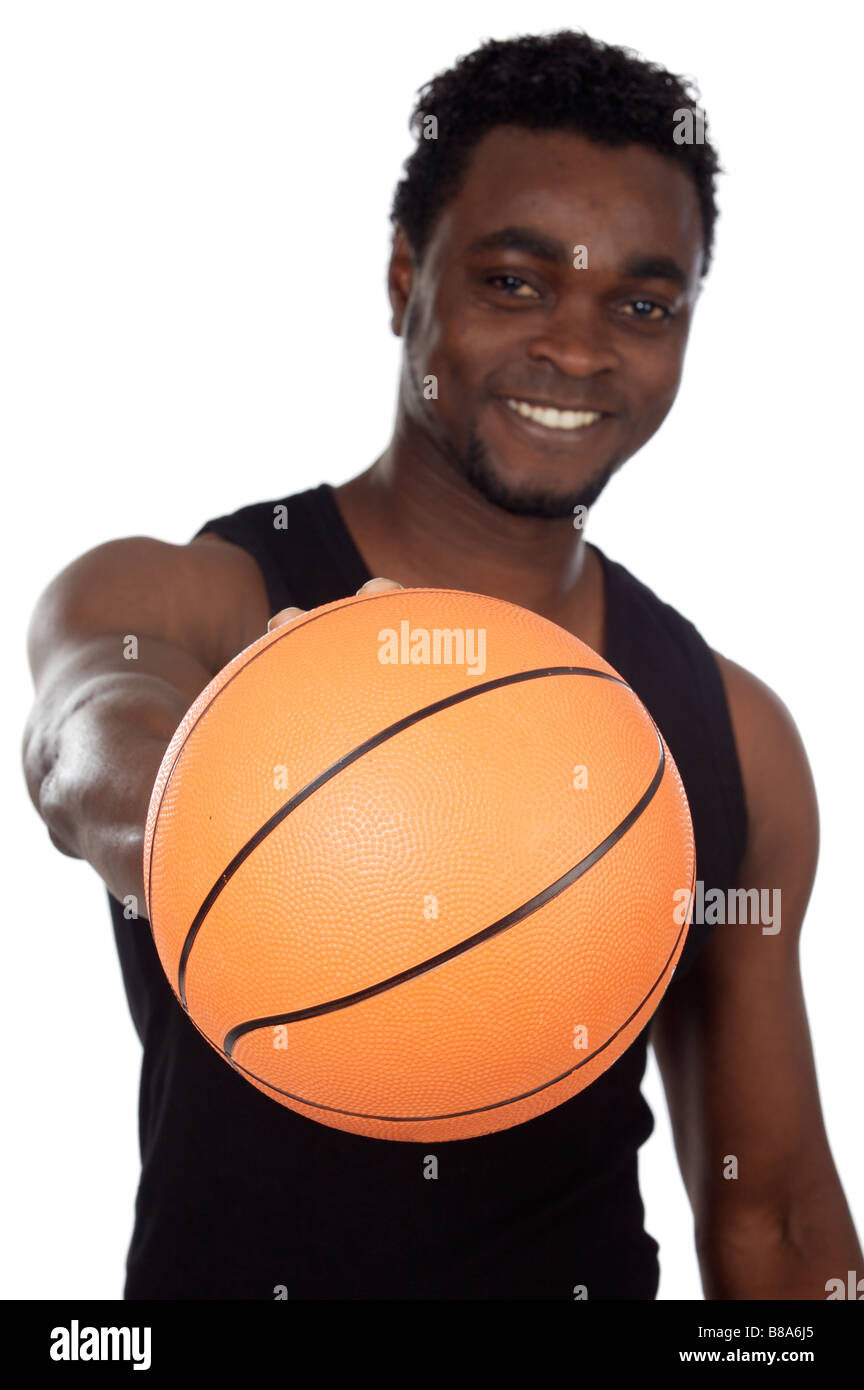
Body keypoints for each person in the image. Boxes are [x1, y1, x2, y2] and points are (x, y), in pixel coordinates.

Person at [23, 29, 861, 1300]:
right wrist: (275, 783)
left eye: (643, 305)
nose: (579, 352)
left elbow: (779, 1223)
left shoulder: (730, 730)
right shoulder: (189, 595)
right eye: (516, 284)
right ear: (406, 276)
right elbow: (87, 733)